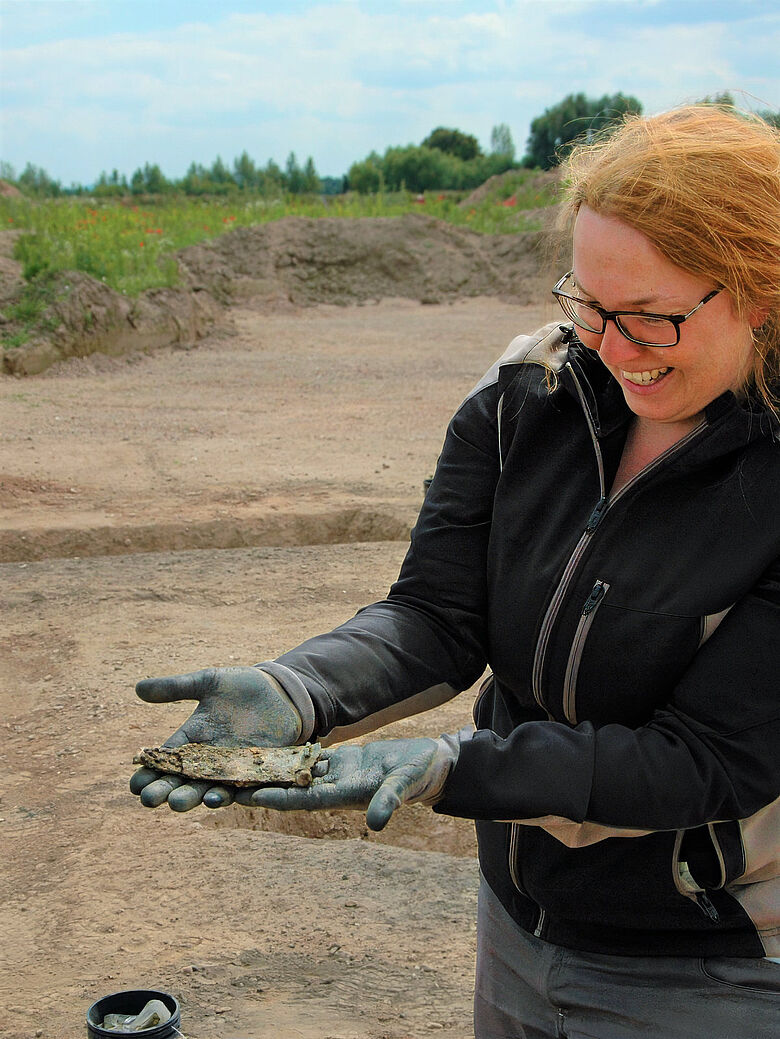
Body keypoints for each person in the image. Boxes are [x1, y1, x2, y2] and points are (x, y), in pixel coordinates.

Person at [131, 105, 780, 1038]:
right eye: (588, 303)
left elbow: (702, 761)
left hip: (712, 970)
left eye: (651, 318)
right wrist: (299, 686)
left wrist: (452, 766)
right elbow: (438, 612)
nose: (609, 347)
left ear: (760, 290)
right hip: (518, 924)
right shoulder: (531, 389)